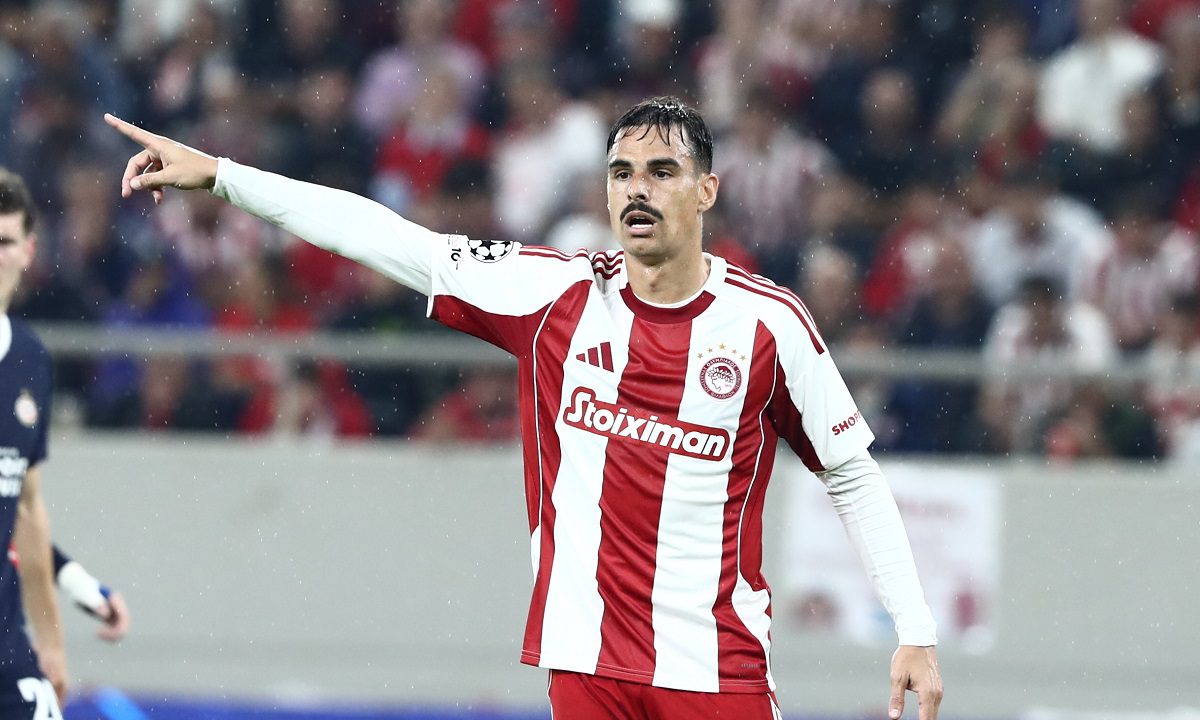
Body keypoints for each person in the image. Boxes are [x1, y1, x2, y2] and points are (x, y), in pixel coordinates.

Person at [104, 96, 943, 720]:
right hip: (583, 661)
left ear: (707, 191)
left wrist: (913, 628)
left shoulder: (769, 324)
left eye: (662, 172)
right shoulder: (551, 294)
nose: (638, 190)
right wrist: (223, 176)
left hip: (714, 666)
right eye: (621, 174)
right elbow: (390, 239)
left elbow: (851, 474)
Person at [0, 168, 68, 716]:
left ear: (28, 251)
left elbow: (26, 505)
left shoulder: (30, 360)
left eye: (3, 242)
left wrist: (51, 642)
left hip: (7, 654)